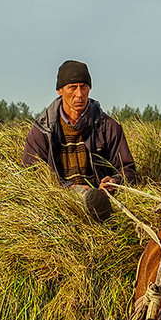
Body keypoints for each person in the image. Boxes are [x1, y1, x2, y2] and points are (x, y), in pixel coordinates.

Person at [22, 60, 137, 220]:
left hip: (101, 195)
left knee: (96, 199)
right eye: (72, 87)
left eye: (84, 87)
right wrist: (67, 188)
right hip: (59, 199)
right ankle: (90, 201)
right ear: (60, 91)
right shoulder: (42, 131)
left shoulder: (108, 127)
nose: (79, 94)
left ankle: (97, 203)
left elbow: (128, 169)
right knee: (83, 196)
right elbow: (30, 176)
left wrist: (114, 181)